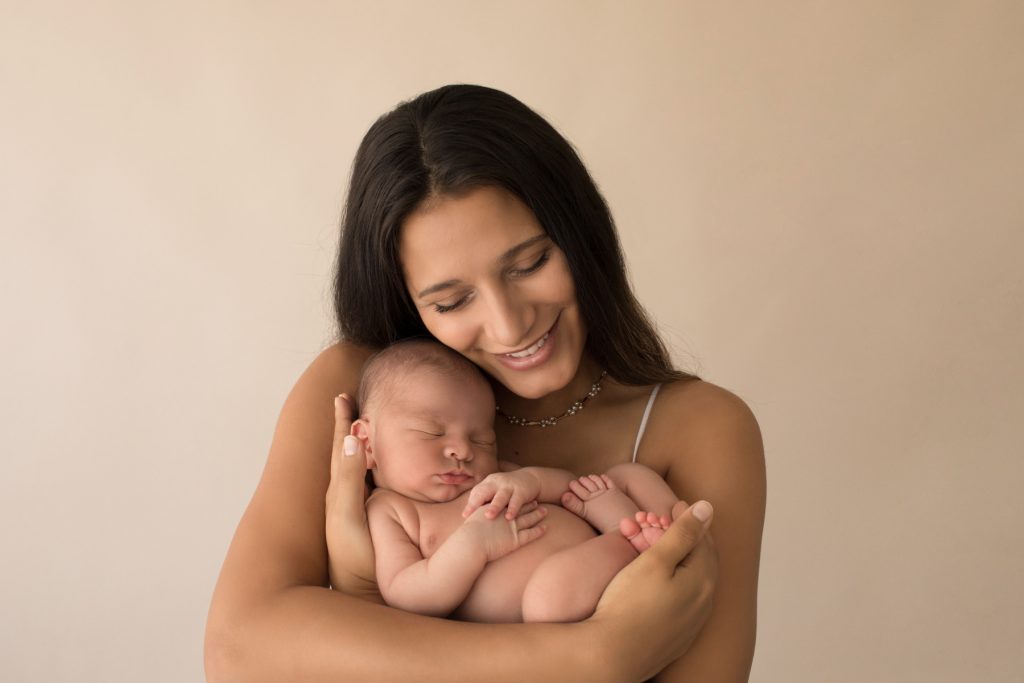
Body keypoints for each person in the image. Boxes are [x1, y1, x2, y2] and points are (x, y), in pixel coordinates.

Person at [206, 84, 765, 682]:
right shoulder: (357, 389)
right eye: (451, 301)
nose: (508, 323)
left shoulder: (701, 427)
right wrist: (592, 658)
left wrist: (357, 622)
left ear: (581, 235)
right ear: (410, 304)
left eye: (529, 265)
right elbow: (237, 653)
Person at [354, 338, 681, 623]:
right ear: (367, 443)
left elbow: (568, 487)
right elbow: (407, 594)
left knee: (628, 474)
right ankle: (636, 544)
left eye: (481, 439)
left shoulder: (493, 477)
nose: (463, 450)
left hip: (596, 531)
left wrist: (530, 481)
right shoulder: (390, 510)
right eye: (433, 432)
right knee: (548, 600)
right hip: (566, 596)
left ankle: (672, 534)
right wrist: (474, 543)